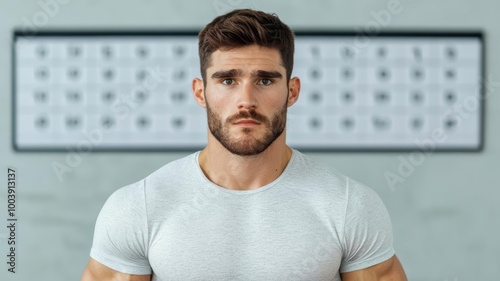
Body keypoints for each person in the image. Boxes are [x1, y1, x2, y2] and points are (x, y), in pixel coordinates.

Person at [81, 9, 408, 281]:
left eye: (265, 80)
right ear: (200, 92)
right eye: (227, 80)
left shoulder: (349, 206)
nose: (246, 101)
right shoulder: (139, 207)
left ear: (292, 92)